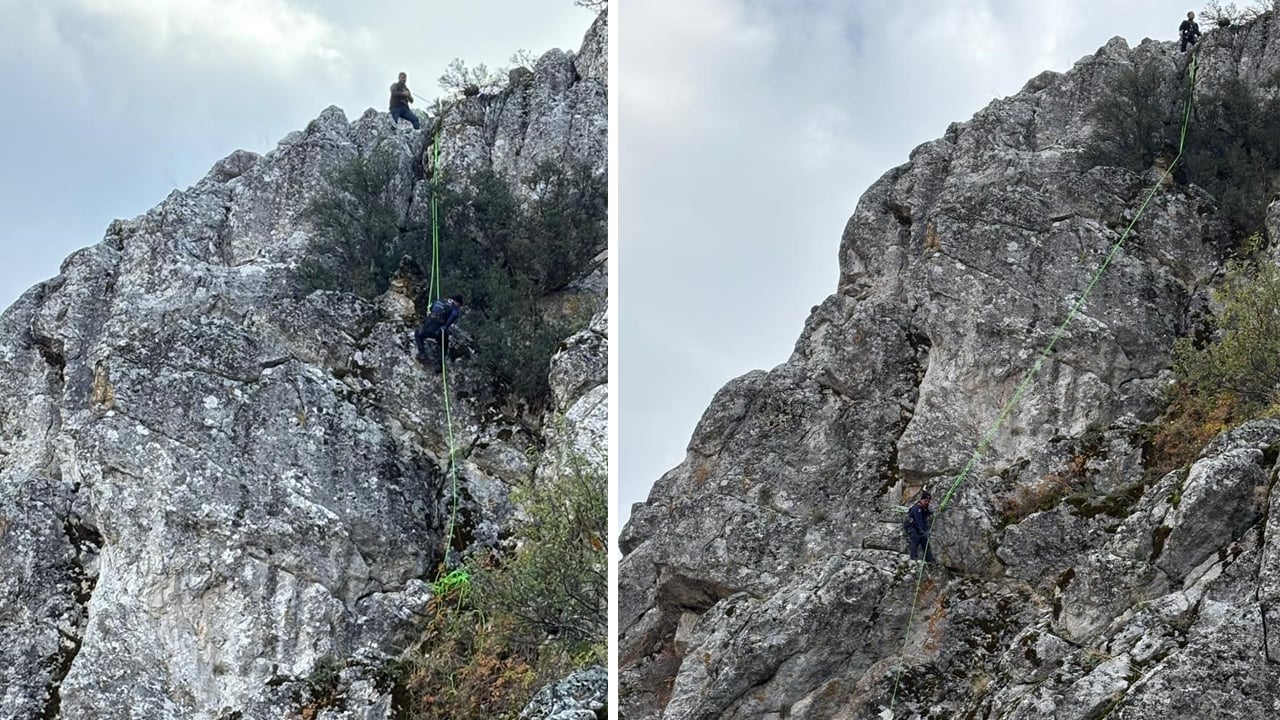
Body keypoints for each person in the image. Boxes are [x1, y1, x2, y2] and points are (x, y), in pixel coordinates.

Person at [414, 294, 464, 370]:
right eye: (459, 305)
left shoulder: (439, 300)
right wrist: (445, 326)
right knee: (444, 344)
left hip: (427, 328)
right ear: (457, 302)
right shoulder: (455, 308)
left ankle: (422, 353)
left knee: (418, 334)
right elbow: (452, 317)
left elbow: (430, 308)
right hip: (438, 332)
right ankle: (439, 365)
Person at [905, 491, 935, 563]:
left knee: (925, 541)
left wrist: (933, 512)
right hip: (911, 526)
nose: (927, 502)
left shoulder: (924, 508)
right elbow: (919, 521)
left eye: (928, 501)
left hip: (918, 527)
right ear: (921, 500)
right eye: (925, 501)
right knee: (915, 538)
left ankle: (929, 559)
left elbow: (927, 513)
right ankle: (913, 556)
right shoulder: (916, 508)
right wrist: (926, 530)